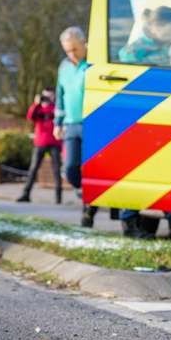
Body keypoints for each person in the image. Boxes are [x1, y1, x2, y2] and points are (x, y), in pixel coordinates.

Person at [113, 7, 171, 239]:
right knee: (138, 171)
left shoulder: (168, 50)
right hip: (141, 119)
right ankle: (129, 222)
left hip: (165, 117)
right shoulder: (134, 52)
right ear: (156, 26)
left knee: (169, 173)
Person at [55, 26, 104, 227]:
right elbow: (60, 95)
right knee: (70, 169)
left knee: (93, 168)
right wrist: (57, 123)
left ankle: (89, 211)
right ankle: (86, 195)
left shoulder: (93, 65)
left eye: (75, 49)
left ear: (85, 45)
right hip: (71, 123)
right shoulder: (64, 67)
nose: (72, 54)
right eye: (68, 50)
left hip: (92, 122)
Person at [17, 87, 62, 203]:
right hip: (40, 143)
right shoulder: (38, 109)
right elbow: (30, 117)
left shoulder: (57, 108)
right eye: (45, 95)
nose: (47, 98)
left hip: (54, 143)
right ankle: (25, 194)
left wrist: (55, 103)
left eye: (49, 95)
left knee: (56, 170)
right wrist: (35, 104)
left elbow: (61, 117)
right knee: (33, 169)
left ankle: (58, 198)